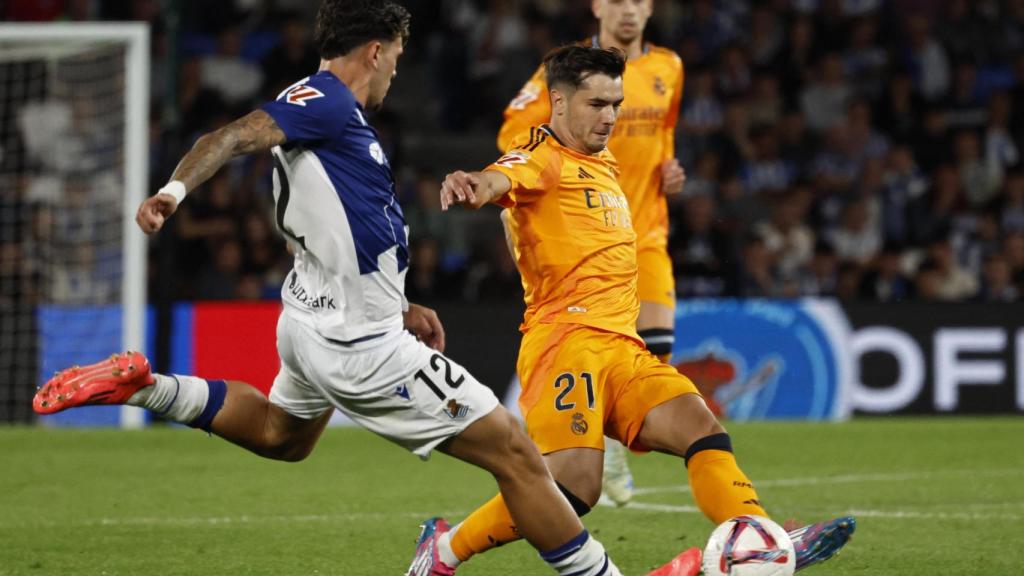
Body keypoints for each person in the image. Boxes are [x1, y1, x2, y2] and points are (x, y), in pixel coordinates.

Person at [32, 3, 693, 575]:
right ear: (373, 51)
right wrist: (172, 193)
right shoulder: (327, 101)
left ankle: (143, 384)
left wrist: (398, 302)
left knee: (278, 434)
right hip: (358, 344)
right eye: (397, 57)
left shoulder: (323, 111)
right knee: (517, 453)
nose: (397, 71)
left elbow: (343, 222)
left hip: (312, 319)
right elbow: (231, 136)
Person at [409, 44, 854, 576]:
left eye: (616, 103)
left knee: (701, 426)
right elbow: (504, 177)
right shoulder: (542, 156)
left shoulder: (606, 161)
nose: (610, 116)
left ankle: (760, 536)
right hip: (566, 343)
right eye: (597, 104)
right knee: (572, 490)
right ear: (558, 102)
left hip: (623, 345)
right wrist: (475, 185)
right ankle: (445, 551)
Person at [497, 0, 684, 505]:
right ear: (598, 6)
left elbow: (664, 133)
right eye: (618, 0)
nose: (629, 11)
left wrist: (669, 166)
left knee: (657, 350)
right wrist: (549, 166)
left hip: (645, 231)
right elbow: (513, 129)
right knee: (598, 342)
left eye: (639, 1)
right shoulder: (570, 70)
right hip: (585, 228)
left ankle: (608, 439)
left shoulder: (669, 68)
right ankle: (590, 442)